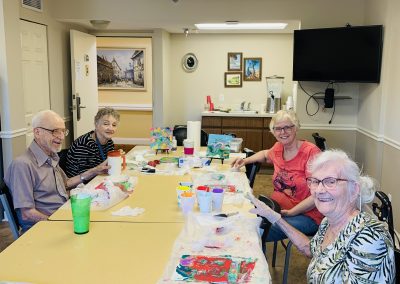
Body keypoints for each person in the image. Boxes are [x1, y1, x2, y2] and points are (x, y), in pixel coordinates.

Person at [249, 149, 396, 282]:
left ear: (354, 189)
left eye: (331, 181)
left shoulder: (369, 238)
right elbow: (310, 249)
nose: (319, 190)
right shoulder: (329, 221)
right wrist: (276, 218)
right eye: (315, 181)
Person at [4, 110, 108, 233]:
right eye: (55, 131)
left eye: (63, 131)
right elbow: (27, 213)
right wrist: (56, 224)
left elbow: (65, 184)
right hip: (43, 228)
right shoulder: (22, 165)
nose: (61, 136)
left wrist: (96, 170)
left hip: (64, 214)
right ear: (37, 132)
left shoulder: (51, 156)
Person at [231, 109, 323, 241]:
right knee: (243, 215)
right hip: (277, 210)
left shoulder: (311, 153)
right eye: (278, 129)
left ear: (296, 128)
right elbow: (264, 154)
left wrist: (292, 212)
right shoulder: (278, 148)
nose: (283, 132)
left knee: (256, 229)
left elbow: (319, 194)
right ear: (273, 132)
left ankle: (255, 260)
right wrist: (245, 160)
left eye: (287, 127)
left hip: (307, 216)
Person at [64, 107, 120, 179]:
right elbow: (84, 176)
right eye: (106, 124)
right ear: (96, 124)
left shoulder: (109, 142)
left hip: (99, 178)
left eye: (114, 125)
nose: (111, 128)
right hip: (80, 185)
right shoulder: (84, 144)